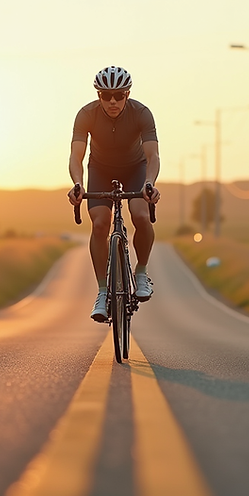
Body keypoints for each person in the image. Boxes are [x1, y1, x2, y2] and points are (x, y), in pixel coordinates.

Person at [67, 65, 161, 322]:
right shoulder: (86, 115)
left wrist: (149, 183)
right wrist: (78, 184)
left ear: (127, 94)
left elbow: (152, 156)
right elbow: (76, 156)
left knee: (141, 216)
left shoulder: (141, 113)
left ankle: (141, 272)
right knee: (100, 223)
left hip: (135, 169)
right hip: (99, 170)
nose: (112, 101)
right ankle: (102, 291)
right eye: (106, 95)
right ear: (98, 95)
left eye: (119, 95)